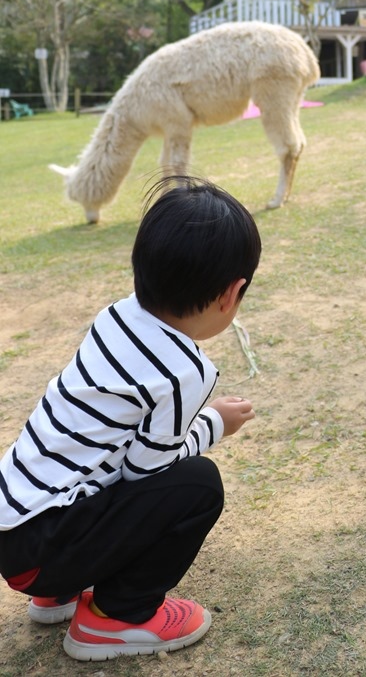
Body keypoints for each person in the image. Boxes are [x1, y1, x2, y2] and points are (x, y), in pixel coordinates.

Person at [0, 176, 262, 662]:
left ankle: (58, 594)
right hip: (47, 549)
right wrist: (213, 425)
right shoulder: (185, 371)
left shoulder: (116, 316)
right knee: (198, 485)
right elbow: (148, 474)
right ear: (232, 293)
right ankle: (117, 616)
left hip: (15, 531)